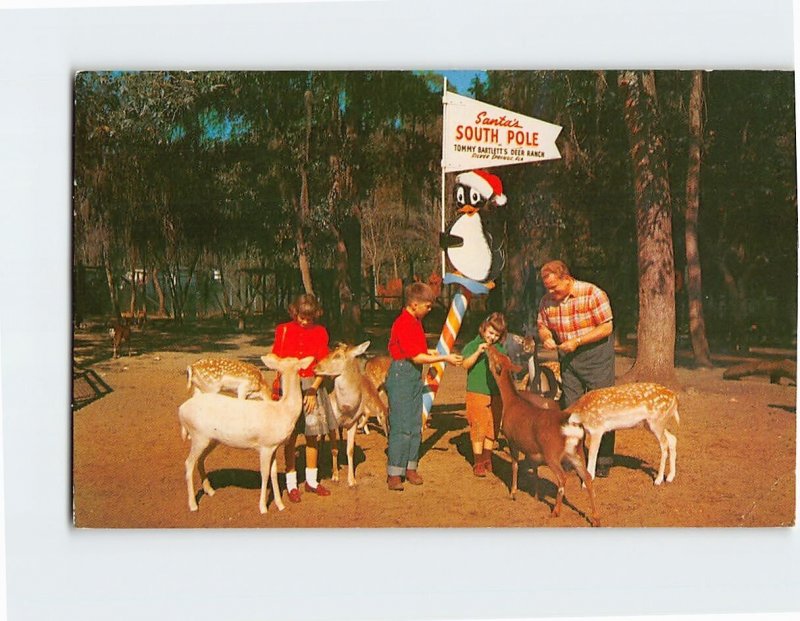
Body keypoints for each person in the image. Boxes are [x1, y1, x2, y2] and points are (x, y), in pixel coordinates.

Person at [536, 260, 616, 477]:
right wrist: (546, 338)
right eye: (547, 288)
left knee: (602, 407)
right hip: (569, 358)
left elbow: (607, 326)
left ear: (567, 278)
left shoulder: (592, 293)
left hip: (596, 355)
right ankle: (574, 454)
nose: (551, 292)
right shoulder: (547, 301)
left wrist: (578, 341)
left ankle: (604, 459)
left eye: (554, 287)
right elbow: (542, 325)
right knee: (571, 408)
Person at [386, 282, 463, 491]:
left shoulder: (415, 322)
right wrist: (444, 357)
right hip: (402, 373)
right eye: (427, 306)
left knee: (414, 423)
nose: (429, 310)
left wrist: (433, 352)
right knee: (401, 425)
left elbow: (419, 349)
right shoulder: (403, 323)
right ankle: (395, 471)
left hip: (412, 375)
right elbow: (415, 356)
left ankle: (410, 466)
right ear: (414, 304)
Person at [271, 293, 337, 502]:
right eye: (302, 317)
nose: (305, 321)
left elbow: (323, 365)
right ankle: (291, 483)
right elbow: (276, 357)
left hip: (311, 387)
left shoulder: (320, 332)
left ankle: (311, 481)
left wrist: (313, 390)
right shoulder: (283, 330)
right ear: (294, 312)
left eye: (310, 318)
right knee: (290, 437)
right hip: (289, 387)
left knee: (312, 434)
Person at [461, 312, 507, 477]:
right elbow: (465, 364)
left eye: (496, 335)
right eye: (490, 333)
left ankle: (488, 458)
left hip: (496, 393)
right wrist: (478, 352)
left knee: (492, 425)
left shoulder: (500, 349)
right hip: (477, 391)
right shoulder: (474, 345)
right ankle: (478, 461)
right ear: (484, 328)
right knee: (479, 425)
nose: (492, 337)